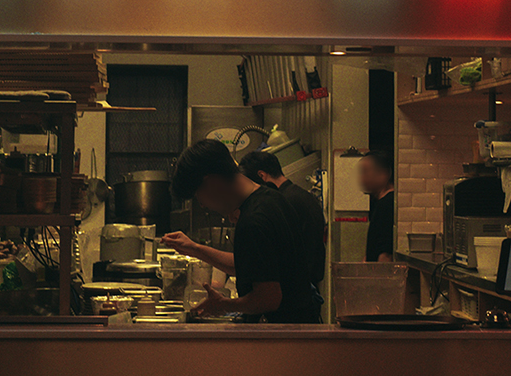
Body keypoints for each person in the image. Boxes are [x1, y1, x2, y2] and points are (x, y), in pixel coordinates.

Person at [163, 138, 321, 322]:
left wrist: (223, 305)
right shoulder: (272, 199)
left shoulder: (253, 220)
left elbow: (268, 299)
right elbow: (252, 267)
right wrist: (194, 248)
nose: (203, 204)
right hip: (300, 326)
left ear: (212, 181)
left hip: (281, 333)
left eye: (198, 195)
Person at [358, 149, 396, 263]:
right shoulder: (380, 203)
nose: (361, 178)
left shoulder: (387, 205)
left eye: (365, 172)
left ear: (383, 174)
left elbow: (385, 255)